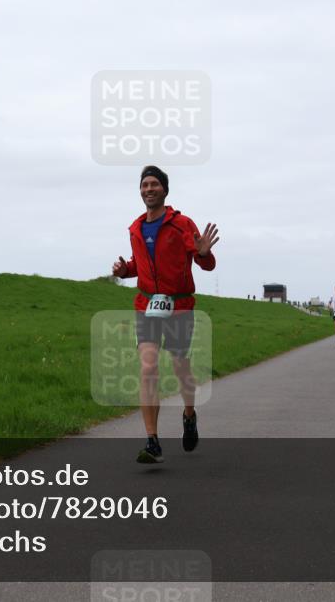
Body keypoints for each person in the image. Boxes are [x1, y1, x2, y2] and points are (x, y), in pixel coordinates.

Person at [111, 166, 219, 464]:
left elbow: (205, 263)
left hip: (179, 305)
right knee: (148, 368)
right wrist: (125, 270)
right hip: (146, 305)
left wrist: (204, 253)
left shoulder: (181, 224)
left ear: (164, 190)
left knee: (180, 366)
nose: (149, 189)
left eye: (154, 184)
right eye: (144, 184)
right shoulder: (136, 228)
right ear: (140, 191)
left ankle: (189, 414)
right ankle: (153, 440)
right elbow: (140, 264)